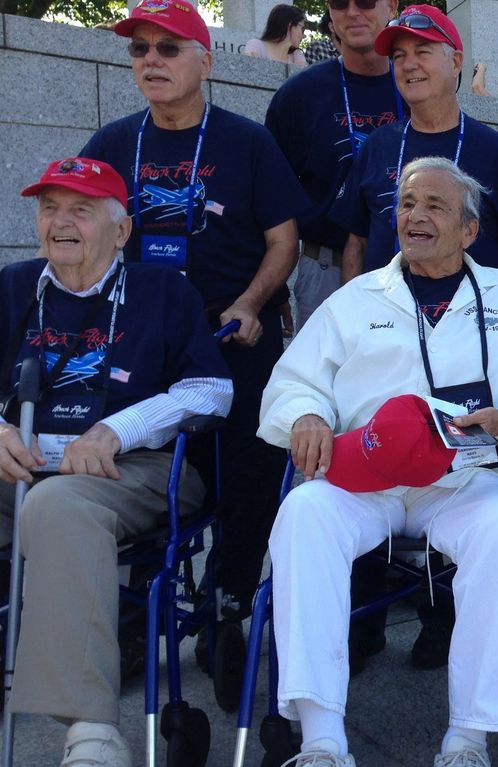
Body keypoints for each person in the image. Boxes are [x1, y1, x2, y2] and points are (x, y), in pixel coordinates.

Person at [258, 156, 498, 767]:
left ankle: (468, 738)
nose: (416, 216)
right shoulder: (355, 300)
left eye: (435, 205)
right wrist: (305, 414)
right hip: (366, 475)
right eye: (407, 204)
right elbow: (293, 381)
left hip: (465, 478)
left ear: (469, 230)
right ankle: (322, 740)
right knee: (302, 515)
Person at [0, 157, 232, 767]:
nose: (61, 222)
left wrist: (115, 430)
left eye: (80, 209)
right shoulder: (14, 285)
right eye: (50, 208)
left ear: (122, 230)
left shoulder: (162, 291)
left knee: (58, 505)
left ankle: (92, 732)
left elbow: (212, 389)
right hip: (23, 461)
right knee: (47, 496)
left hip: (136, 471)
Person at [80, 0, 308, 621]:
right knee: (126, 456)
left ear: (204, 63)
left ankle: (230, 595)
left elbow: (283, 241)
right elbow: (82, 235)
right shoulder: (111, 143)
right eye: (139, 49)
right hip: (138, 335)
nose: (151, 59)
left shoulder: (247, 142)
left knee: (258, 448)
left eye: (168, 48)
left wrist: (251, 301)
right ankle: (133, 614)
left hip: (231, 324)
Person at [334, 4, 498, 292]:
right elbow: (355, 244)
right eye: (399, 56)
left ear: (456, 62)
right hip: (385, 323)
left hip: (470, 323)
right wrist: (351, 315)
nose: (409, 64)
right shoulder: (377, 146)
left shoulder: (497, 150)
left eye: (422, 52)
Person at [265, 0, 403, 330]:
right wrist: (274, 289)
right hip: (326, 267)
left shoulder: (416, 85)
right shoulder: (298, 95)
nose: (353, 12)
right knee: (327, 381)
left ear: (392, 6)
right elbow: (268, 198)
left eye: (366, 1)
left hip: (412, 267)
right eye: (340, 3)